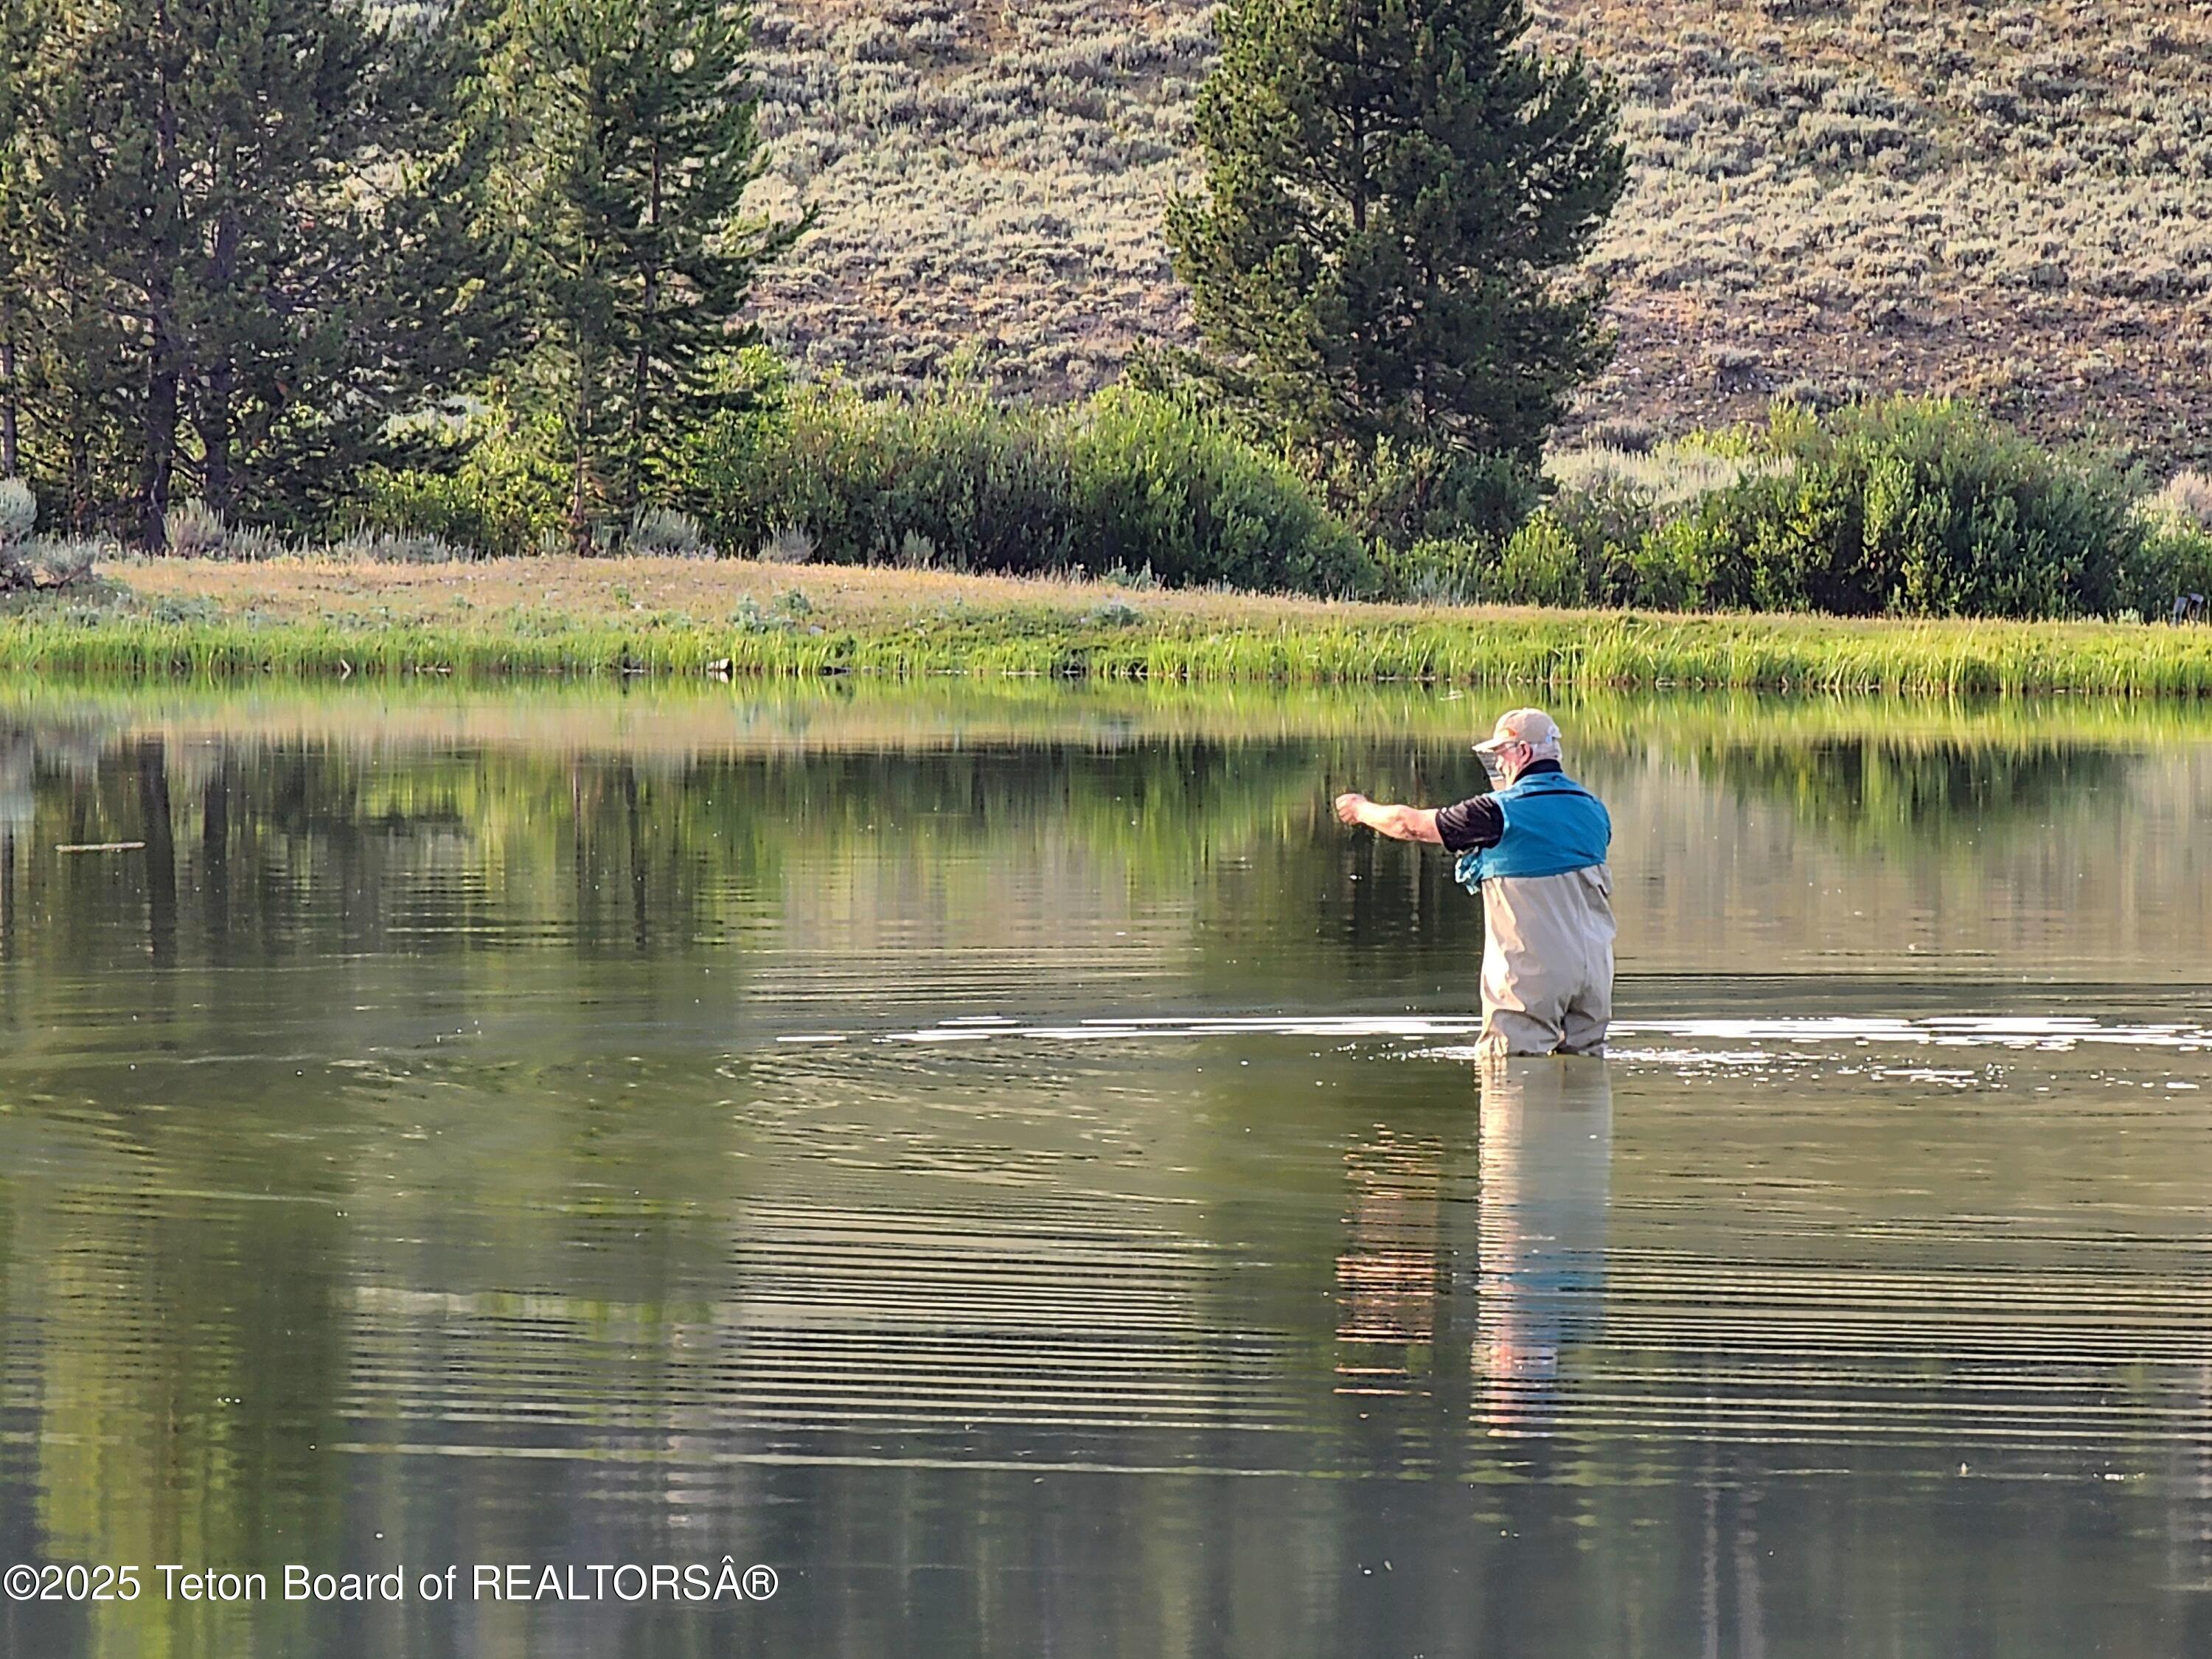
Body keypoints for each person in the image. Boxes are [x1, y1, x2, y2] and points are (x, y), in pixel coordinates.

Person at [1334, 707, 1614, 1057]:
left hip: (1531, 978)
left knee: (1509, 1073)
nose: (1498, 767)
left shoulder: (1496, 812)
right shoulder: (1594, 809)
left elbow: (1411, 825)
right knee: (1586, 1077)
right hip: (1596, 977)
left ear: (1523, 753)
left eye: (1501, 755)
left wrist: (1361, 810)